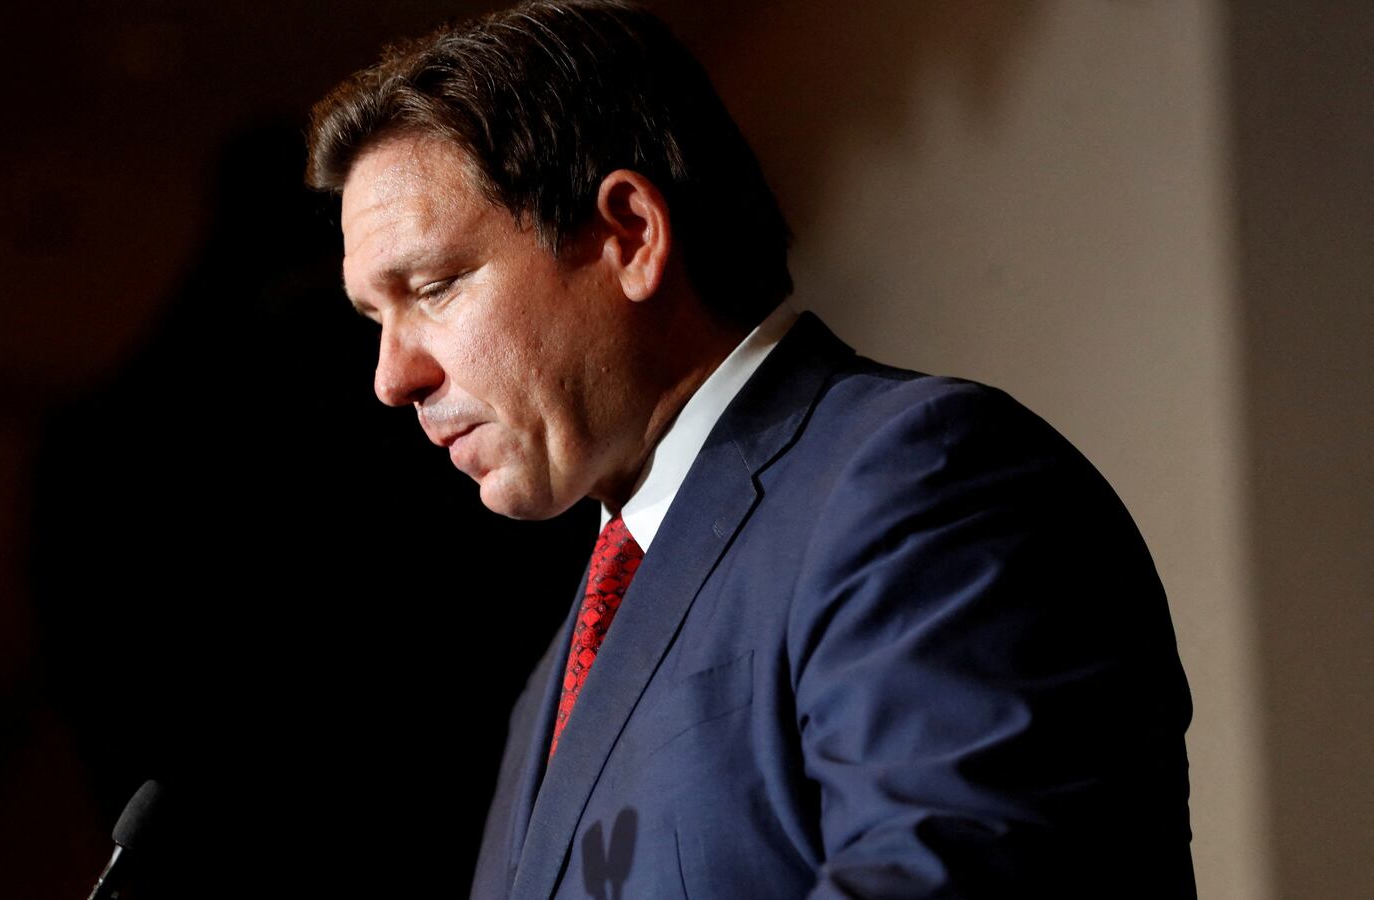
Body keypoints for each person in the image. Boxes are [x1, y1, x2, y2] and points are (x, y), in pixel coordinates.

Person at [307, 2, 1196, 897]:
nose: (392, 377)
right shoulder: (553, 681)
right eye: (375, 320)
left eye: (433, 287)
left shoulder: (928, 487)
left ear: (630, 234)